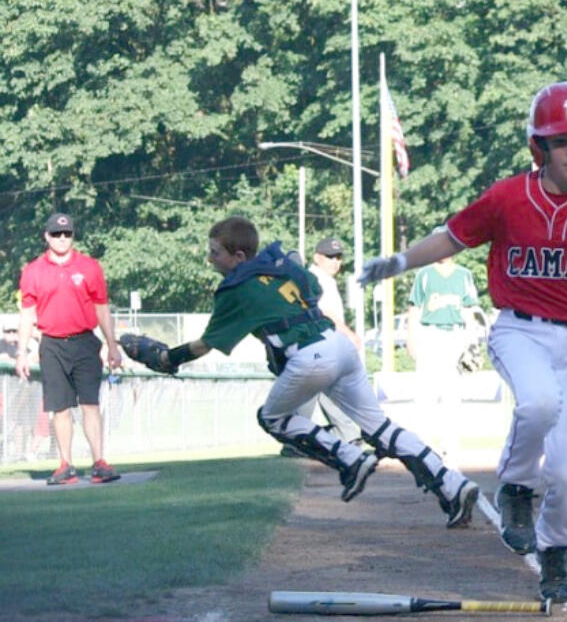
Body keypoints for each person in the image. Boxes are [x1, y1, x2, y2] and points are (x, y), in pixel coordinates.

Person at [359, 81, 567, 603]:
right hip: (519, 328)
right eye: (562, 140)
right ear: (540, 147)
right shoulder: (508, 197)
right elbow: (452, 236)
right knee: (539, 402)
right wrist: (398, 263)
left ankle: (554, 556)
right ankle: (517, 487)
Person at [144, 216, 478, 526]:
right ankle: (453, 485)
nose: (210, 258)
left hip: (310, 356)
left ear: (239, 255)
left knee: (271, 418)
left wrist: (167, 359)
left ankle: (349, 457)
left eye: (216, 252)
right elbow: (313, 291)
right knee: (381, 428)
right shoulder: (280, 267)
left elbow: (205, 344)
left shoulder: (237, 289)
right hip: (338, 345)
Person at [16, 212, 123, 485]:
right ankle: (66, 464)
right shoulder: (33, 271)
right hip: (51, 344)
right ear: (46, 236)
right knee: (60, 408)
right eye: (56, 234)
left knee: (90, 403)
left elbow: (101, 307)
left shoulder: (89, 267)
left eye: (67, 234)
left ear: (73, 236)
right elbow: (28, 314)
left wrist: (112, 345)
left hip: (85, 342)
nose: (62, 239)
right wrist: (22, 353)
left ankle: (99, 462)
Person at [279, 237, 364, 452]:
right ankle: (299, 440)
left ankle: (339, 435)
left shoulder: (326, 279)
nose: (335, 261)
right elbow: (323, 313)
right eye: (329, 257)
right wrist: (349, 334)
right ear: (317, 257)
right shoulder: (314, 278)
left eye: (338, 257)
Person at [407, 232, 481, 458]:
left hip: (456, 336)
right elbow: (414, 308)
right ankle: (423, 446)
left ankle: (451, 446)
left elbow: (470, 310)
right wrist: (412, 339)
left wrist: (473, 342)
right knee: (426, 393)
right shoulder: (424, 274)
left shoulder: (464, 275)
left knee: (453, 394)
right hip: (430, 335)